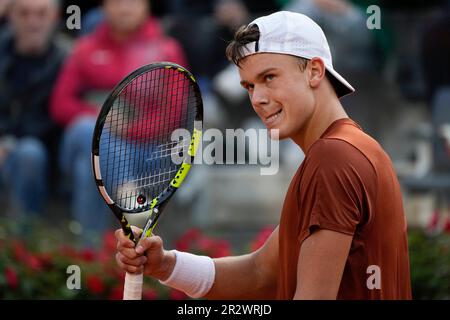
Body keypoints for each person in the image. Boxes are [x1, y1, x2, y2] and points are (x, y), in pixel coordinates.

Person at [115, 11, 412, 299]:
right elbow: (261, 273)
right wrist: (166, 265)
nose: (257, 99)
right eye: (249, 86)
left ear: (315, 71)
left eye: (269, 77)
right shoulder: (354, 148)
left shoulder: (333, 157)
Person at [50, 0, 187, 243]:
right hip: (90, 141)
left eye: (133, 2)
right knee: (85, 129)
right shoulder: (85, 48)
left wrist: (128, 129)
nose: (124, 9)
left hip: (148, 154)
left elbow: (172, 115)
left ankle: (90, 255)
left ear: (146, 6)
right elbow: (60, 105)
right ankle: (127, 193)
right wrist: (103, 117)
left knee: (89, 169)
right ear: (103, 7)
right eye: (117, 2)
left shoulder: (167, 50)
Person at [0, 0, 65, 216]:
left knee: (29, 152)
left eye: (41, 14)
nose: (32, 22)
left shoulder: (65, 59)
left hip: (42, 154)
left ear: (54, 17)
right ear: (11, 16)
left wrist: (7, 144)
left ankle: (21, 241)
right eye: (24, 14)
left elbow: (49, 121)